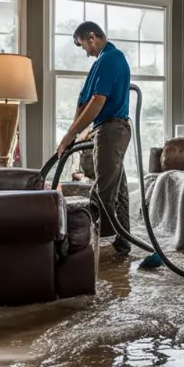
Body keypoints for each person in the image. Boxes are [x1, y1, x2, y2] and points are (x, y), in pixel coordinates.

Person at [56, 21, 132, 255]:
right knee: (116, 187)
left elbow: (98, 101)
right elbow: (88, 102)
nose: (85, 52)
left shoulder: (111, 58)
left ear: (92, 37)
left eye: (83, 46)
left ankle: (84, 245)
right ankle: (123, 240)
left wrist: (70, 135)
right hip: (104, 128)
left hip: (112, 129)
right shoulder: (102, 62)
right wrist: (78, 134)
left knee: (103, 191)